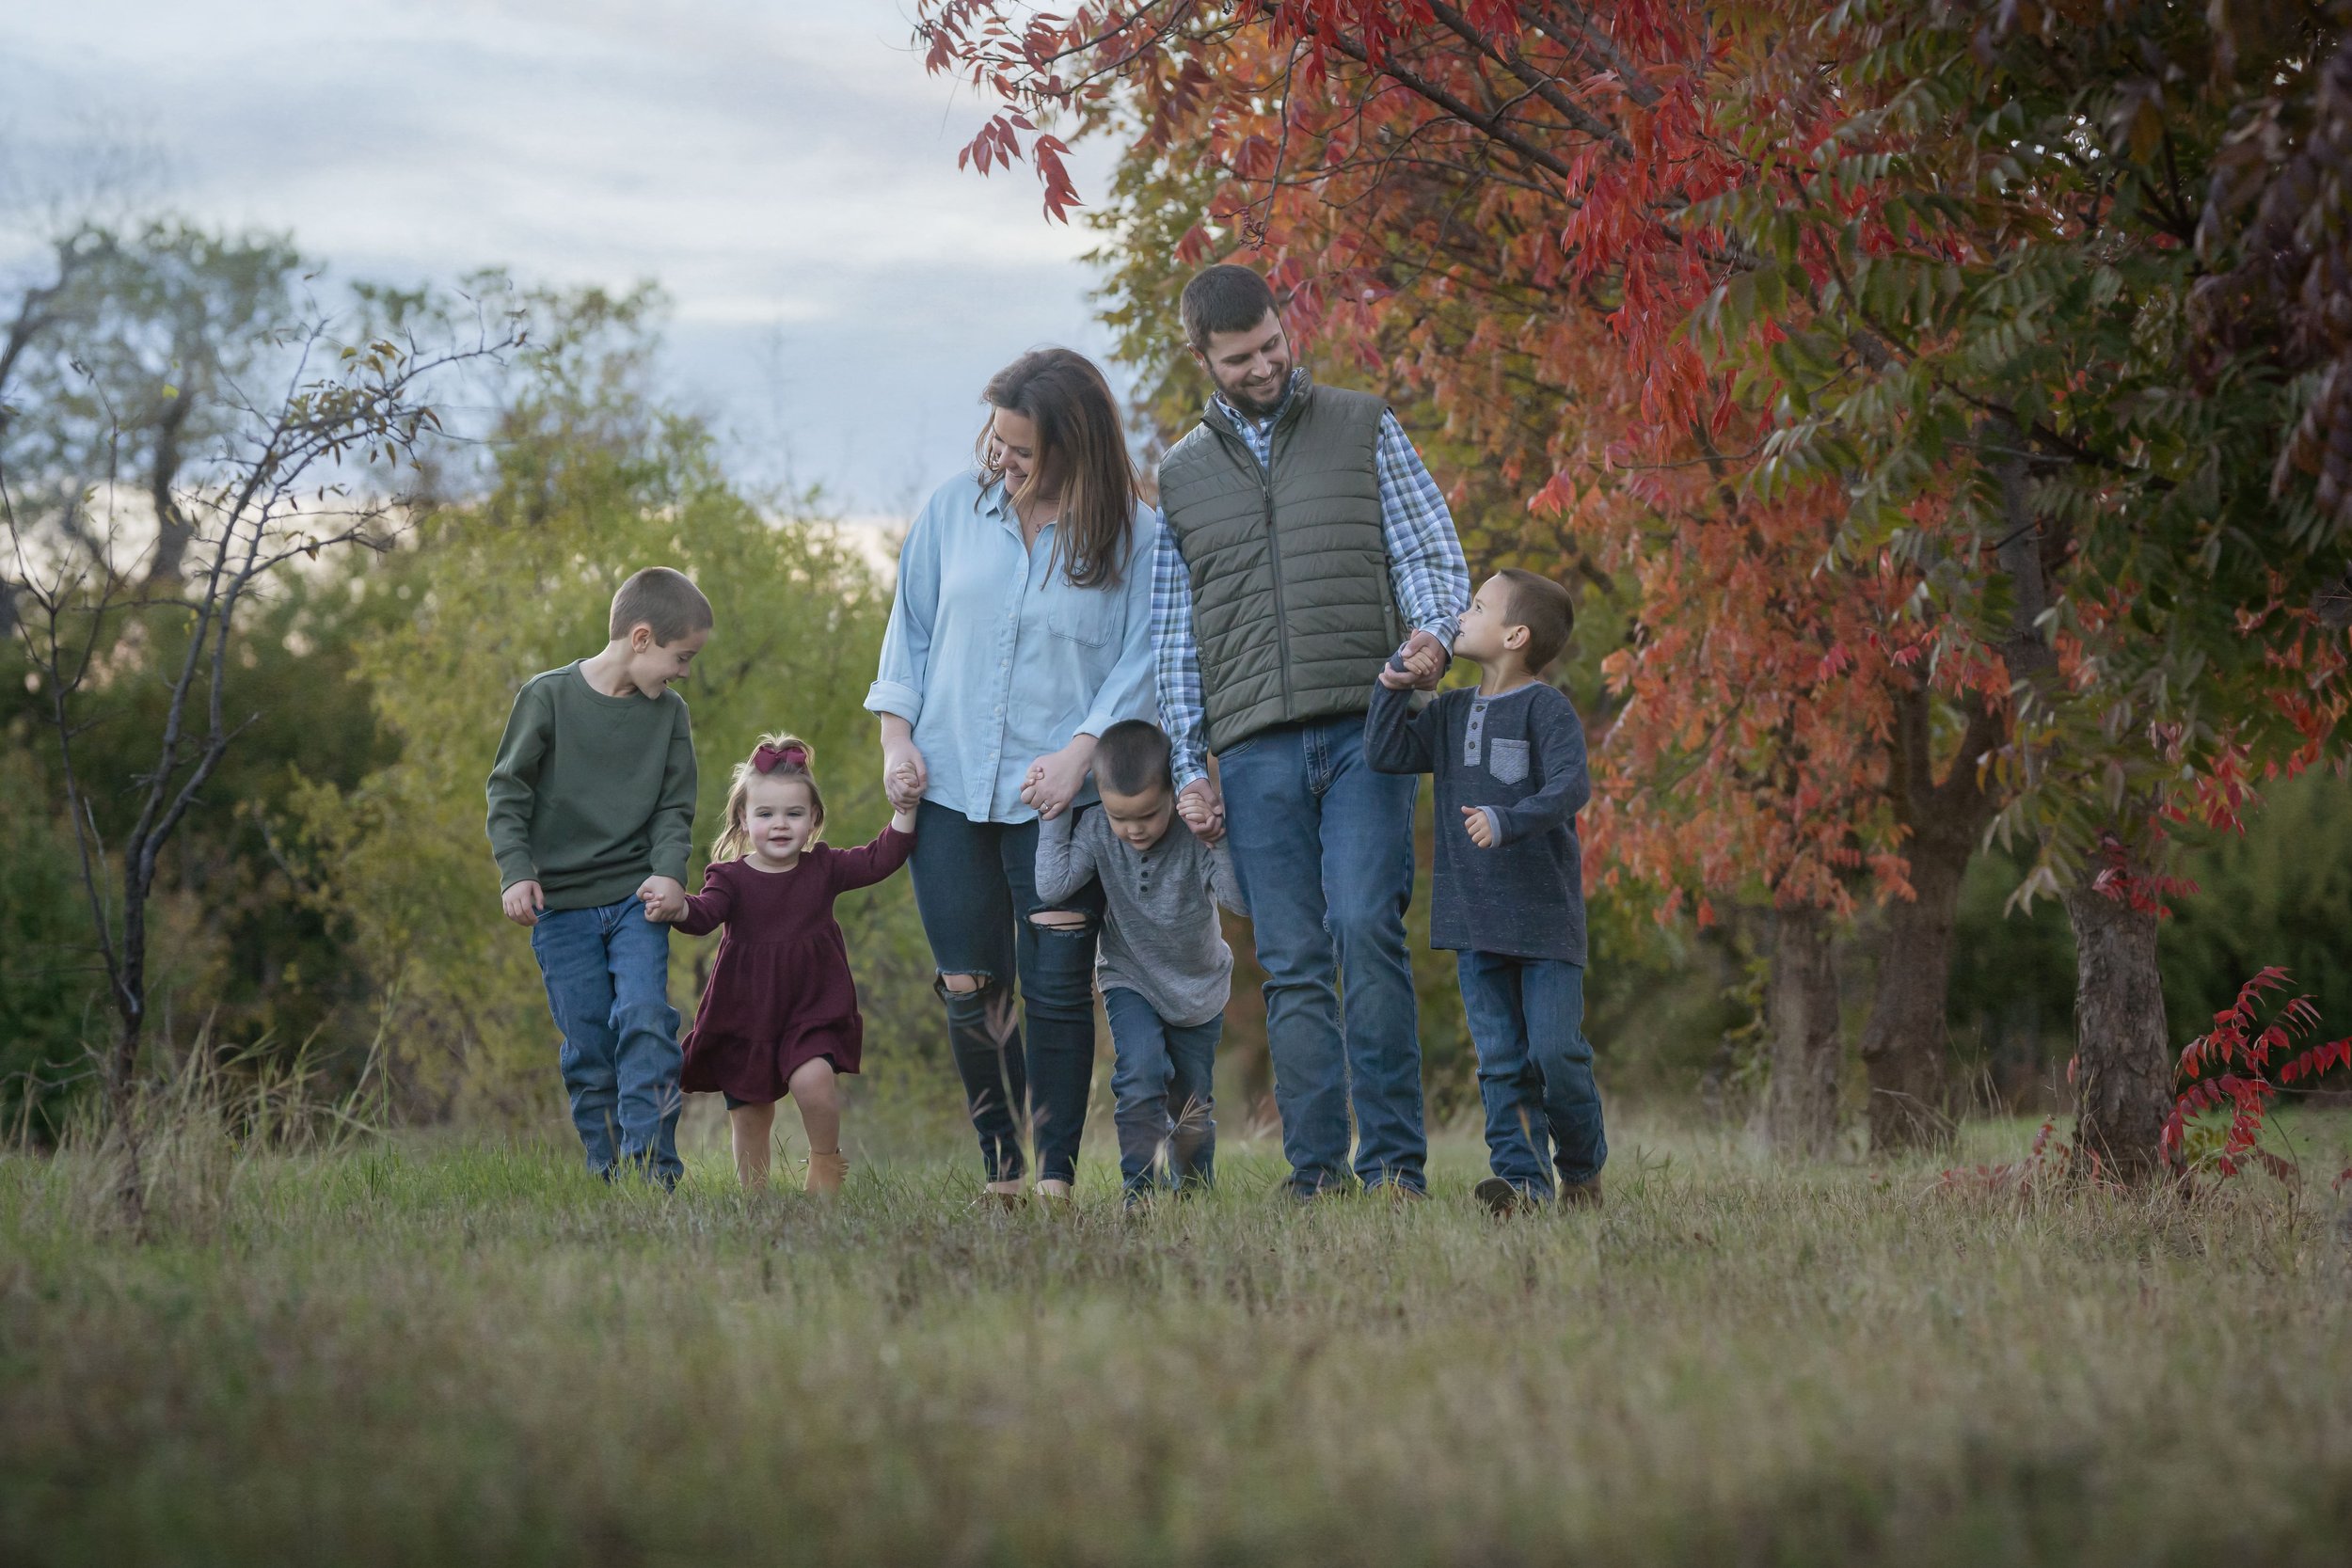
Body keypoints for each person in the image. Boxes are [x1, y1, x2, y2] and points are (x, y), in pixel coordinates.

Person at [1152, 262, 1470, 1199]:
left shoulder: (1363, 424)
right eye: (1240, 357)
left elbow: (1427, 551)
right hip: (1251, 751)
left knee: (1366, 926)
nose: (1264, 365)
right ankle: (1316, 1171)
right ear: (1202, 356)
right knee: (1288, 961)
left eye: (1272, 344)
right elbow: (1176, 635)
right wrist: (1186, 765)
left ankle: (1397, 1165)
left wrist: (1431, 637)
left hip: (1365, 725)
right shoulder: (1179, 475)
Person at [866, 348, 1157, 1203]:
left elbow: (1141, 657)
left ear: (1078, 447)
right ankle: (1003, 1164)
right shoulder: (955, 509)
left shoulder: (1136, 535)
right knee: (970, 982)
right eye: (998, 441)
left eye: (1024, 450)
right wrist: (896, 744)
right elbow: (907, 634)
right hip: (949, 784)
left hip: (1059, 799)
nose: (1004, 460)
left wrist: (1080, 752)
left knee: (1058, 981)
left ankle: (1057, 1176)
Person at [1364, 568, 1608, 1212]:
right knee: (1501, 1061)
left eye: (1476, 607)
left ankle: (1581, 1169)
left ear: (1515, 634)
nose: (1462, 616)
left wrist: (1508, 819)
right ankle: (1524, 1185)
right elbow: (1386, 751)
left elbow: (1570, 788)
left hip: (1545, 920)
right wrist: (1392, 683)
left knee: (1555, 1052)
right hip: (1474, 920)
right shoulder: (1449, 711)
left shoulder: (1546, 709)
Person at [486, 566, 709, 1187]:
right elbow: (508, 792)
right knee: (589, 1047)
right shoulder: (548, 697)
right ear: (641, 638)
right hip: (562, 908)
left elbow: (674, 805)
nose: (684, 671)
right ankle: (611, 1174)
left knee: (644, 1017)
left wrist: (669, 874)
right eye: (681, 656)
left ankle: (653, 1173)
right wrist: (515, 872)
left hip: (637, 900)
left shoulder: (669, 716)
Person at [661, 736, 915, 1195]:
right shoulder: (730, 878)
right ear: (743, 818)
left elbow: (880, 859)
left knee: (814, 1080)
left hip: (810, 1006)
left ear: (813, 818)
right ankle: (755, 1201)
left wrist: (906, 810)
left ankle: (824, 1169)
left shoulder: (823, 868)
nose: (780, 825)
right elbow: (702, 916)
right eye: (765, 814)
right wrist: (677, 908)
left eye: (793, 814)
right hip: (746, 1012)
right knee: (750, 1114)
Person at [1034, 720, 1245, 1207]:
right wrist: (1054, 814)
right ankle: (1139, 1193)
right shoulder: (1098, 832)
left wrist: (1218, 839)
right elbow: (1053, 884)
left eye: (1147, 815)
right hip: (1129, 976)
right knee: (1139, 1075)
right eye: (1119, 817)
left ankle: (1192, 1190)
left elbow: (1239, 902)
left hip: (1198, 987)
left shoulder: (1196, 836)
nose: (1133, 830)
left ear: (1173, 792)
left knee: (1190, 1103)